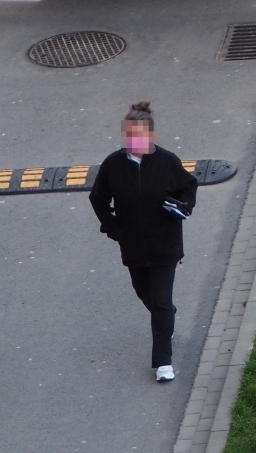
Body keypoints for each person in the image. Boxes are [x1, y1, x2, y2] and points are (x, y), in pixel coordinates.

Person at [88, 101, 198, 382]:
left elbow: (188, 186)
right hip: (133, 246)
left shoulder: (167, 162)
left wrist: (184, 206)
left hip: (164, 245)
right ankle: (167, 318)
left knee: (160, 302)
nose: (134, 142)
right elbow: (98, 198)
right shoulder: (113, 165)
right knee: (144, 294)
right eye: (129, 136)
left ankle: (163, 362)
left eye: (140, 136)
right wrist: (113, 229)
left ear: (151, 136)